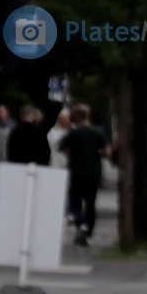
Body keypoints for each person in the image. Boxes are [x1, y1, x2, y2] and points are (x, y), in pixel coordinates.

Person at [58, 104, 107, 246]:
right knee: (91, 203)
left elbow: (63, 148)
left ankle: (80, 225)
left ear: (76, 117)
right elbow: (104, 152)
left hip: (76, 173)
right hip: (93, 173)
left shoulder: (73, 133)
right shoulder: (97, 132)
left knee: (75, 203)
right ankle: (88, 229)